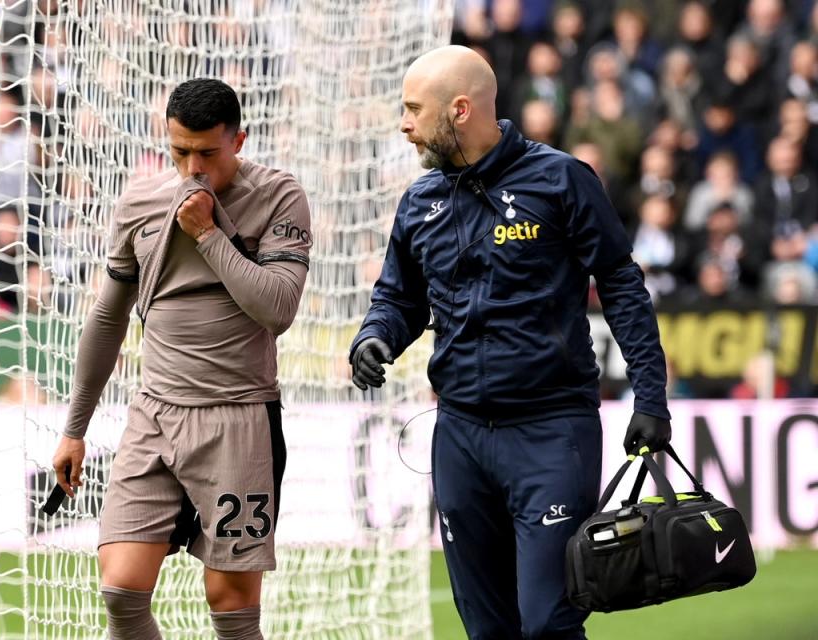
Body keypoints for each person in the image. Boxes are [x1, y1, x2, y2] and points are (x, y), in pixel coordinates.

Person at [349, 46, 671, 640]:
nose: (404, 123)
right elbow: (399, 299)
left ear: (461, 110)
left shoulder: (562, 179)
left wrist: (650, 397)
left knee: (548, 622)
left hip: (551, 432)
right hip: (460, 438)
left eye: (414, 109)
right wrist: (375, 337)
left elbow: (623, 285)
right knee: (486, 628)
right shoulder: (420, 201)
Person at [50, 78, 312, 640]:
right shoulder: (139, 204)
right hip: (154, 415)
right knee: (120, 588)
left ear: (239, 140)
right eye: (180, 152)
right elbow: (107, 318)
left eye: (207, 153)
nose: (193, 168)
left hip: (238, 420)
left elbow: (278, 308)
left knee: (232, 608)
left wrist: (211, 235)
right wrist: (75, 429)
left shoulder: (279, 196)